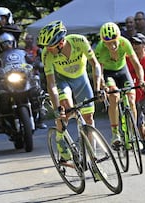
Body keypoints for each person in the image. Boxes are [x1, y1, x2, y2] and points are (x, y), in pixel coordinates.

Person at [37, 21, 104, 162]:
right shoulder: (46, 54)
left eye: (50, 47)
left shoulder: (79, 41)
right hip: (62, 81)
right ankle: (60, 138)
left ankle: (93, 158)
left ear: (61, 43)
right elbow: (51, 83)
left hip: (81, 78)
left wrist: (97, 89)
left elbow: (95, 65)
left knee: (89, 119)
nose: (47, 50)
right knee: (66, 109)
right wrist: (57, 109)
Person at [95, 22, 145, 148]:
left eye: (114, 41)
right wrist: (102, 85)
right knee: (114, 97)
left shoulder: (124, 43)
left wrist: (141, 80)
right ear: (103, 42)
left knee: (132, 99)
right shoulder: (100, 48)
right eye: (108, 43)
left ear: (118, 37)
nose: (112, 46)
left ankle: (133, 133)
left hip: (123, 71)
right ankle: (115, 133)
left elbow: (136, 64)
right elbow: (98, 71)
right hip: (109, 73)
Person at [126, 33, 145, 153]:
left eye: (137, 43)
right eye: (132, 43)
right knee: (139, 122)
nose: (134, 46)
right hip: (133, 94)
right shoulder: (127, 59)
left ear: (144, 45)